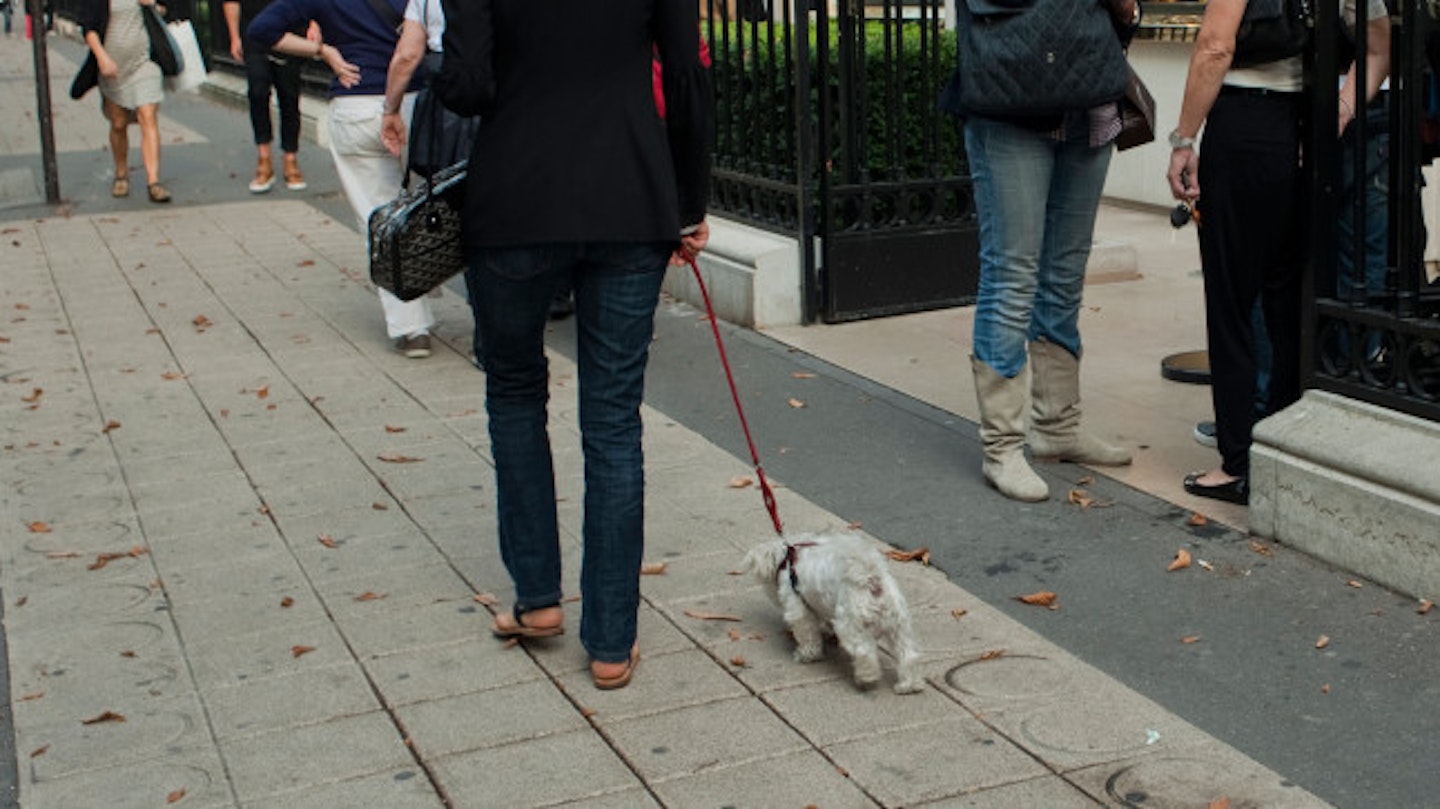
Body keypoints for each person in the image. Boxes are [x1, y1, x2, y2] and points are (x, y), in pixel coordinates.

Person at [436, 0, 713, 689]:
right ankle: (612, 641)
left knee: (514, 392)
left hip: (516, 199)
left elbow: (466, 87)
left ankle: (537, 600)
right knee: (614, 419)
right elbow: (685, 74)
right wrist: (691, 201)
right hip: (629, 194)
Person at [1166, 0, 1390, 505]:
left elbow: (1215, 45)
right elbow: (1378, 46)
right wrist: (1342, 108)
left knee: (1231, 300)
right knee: (1288, 299)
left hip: (1244, 125)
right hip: (1307, 128)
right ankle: (1282, 448)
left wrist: (1183, 138)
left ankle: (1238, 462)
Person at [939, 0, 1138, 503]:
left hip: (1089, 94)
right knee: (1012, 274)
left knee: (1065, 272)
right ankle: (1002, 446)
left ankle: (1057, 425)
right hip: (1011, 98)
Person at [250, 0, 436, 359]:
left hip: (355, 105)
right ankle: (437, 292)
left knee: (379, 217)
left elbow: (261, 31)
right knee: (428, 208)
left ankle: (413, 328)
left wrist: (322, 50)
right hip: (415, 102)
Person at [78, 0, 172, 203]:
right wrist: (102, 58)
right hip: (113, 68)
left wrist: (153, 4)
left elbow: (166, 10)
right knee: (118, 123)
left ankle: (153, 181)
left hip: (144, 63)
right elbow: (88, 28)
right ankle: (121, 173)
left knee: (148, 116)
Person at [223, 0, 313, 194]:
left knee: (289, 95)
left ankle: (290, 158)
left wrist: (314, 23)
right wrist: (234, 36)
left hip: (289, 30)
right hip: (254, 32)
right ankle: (264, 159)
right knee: (257, 91)